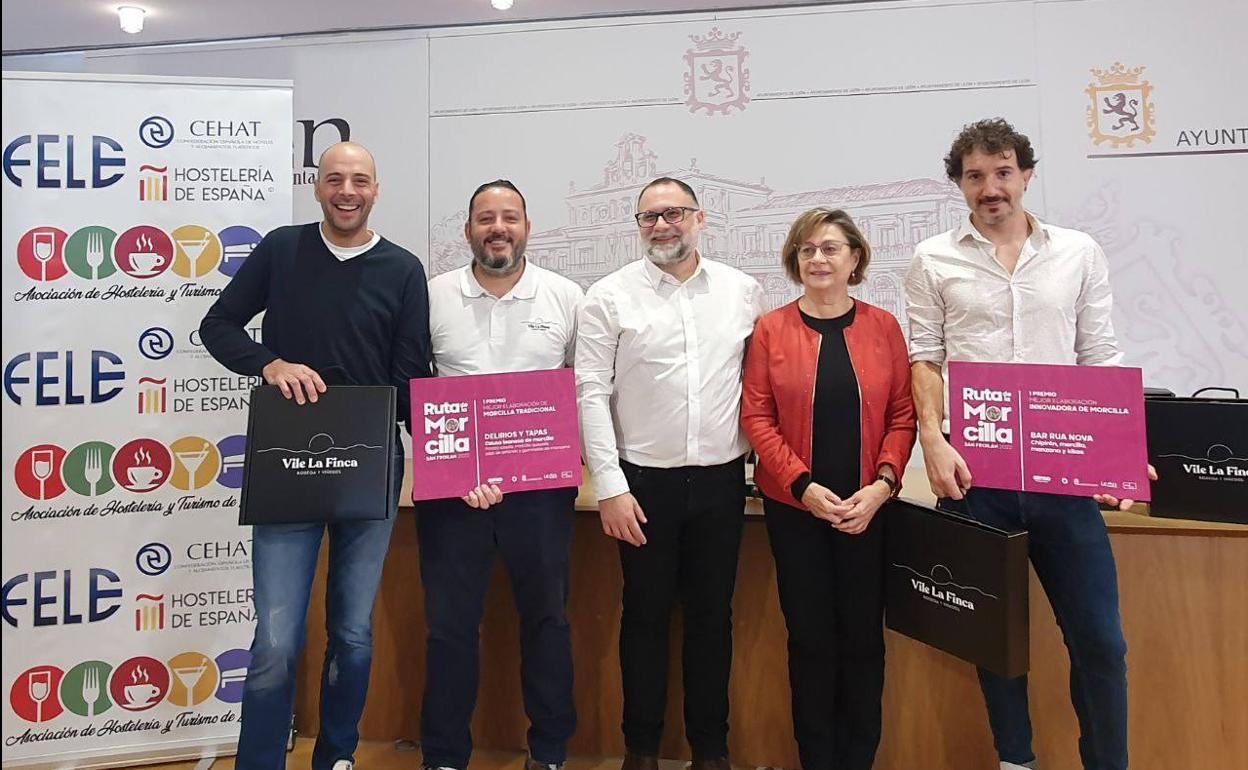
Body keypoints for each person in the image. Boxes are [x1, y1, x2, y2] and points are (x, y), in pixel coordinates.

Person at [904, 118, 1154, 770]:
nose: (991, 187)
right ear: (959, 183)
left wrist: (1120, 455)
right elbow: (924, 359)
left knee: (1101, 642)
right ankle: (1016, 760)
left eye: (1003, 171)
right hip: (975, 479)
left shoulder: (1078, 252)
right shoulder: (933, 258)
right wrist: (931, 439)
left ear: (1027, 174)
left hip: (1064, 478)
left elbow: (1100, 357)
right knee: (995, 641)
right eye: (976, 175)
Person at [199, 141, 432, 770]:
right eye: (335, 179)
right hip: (286, 466)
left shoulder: (403, 268)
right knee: (275, 640)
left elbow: (411, 375)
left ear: (376, 190)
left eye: (360, 180)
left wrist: (447, 461)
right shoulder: (281, 248)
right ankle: (259, 762)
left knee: (353, 634)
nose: (347, 190)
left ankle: (336, 755)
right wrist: (269, 363)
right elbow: (216, 327)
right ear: (318, 187)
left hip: (370, 470)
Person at [576, 177, 765, 770]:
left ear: (700, 218)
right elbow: (589, 391)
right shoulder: (608, 296)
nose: (662, 226)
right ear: (638, 226)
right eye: (650, 217)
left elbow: (756, 387)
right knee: (645, 618)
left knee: (713, 619)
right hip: (642, 485)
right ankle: (641, 750)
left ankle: (712, 750)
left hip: (720, 482)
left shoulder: (742, 290)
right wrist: (609, 486)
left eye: (674, 214)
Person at [740, 208, 915, 770]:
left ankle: (858, 759)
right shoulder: (771, 328)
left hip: (869, 510)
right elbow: (757, 418)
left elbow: (903, 415)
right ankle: (817, 759)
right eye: (807, 249)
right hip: (797, 512)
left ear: (855, 258)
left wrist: (883, 486)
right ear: (795, 259)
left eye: (831, 248)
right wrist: (802, 486)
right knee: (810, 643)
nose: (818, 259)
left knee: (863, 642)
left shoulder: (884, 327)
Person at [418, 180, 583, 770]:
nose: (498, 228)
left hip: (541, 494)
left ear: (527, 227)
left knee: (547, 620)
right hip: (452, 496)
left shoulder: (565, 296)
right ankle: (442, 755)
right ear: (467, 230)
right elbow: (417, 391)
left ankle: (550, 751)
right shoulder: (431, 296)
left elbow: (584, 390)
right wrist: (454, 467)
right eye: (485, 218)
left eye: (509, 217)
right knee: (448, 629)